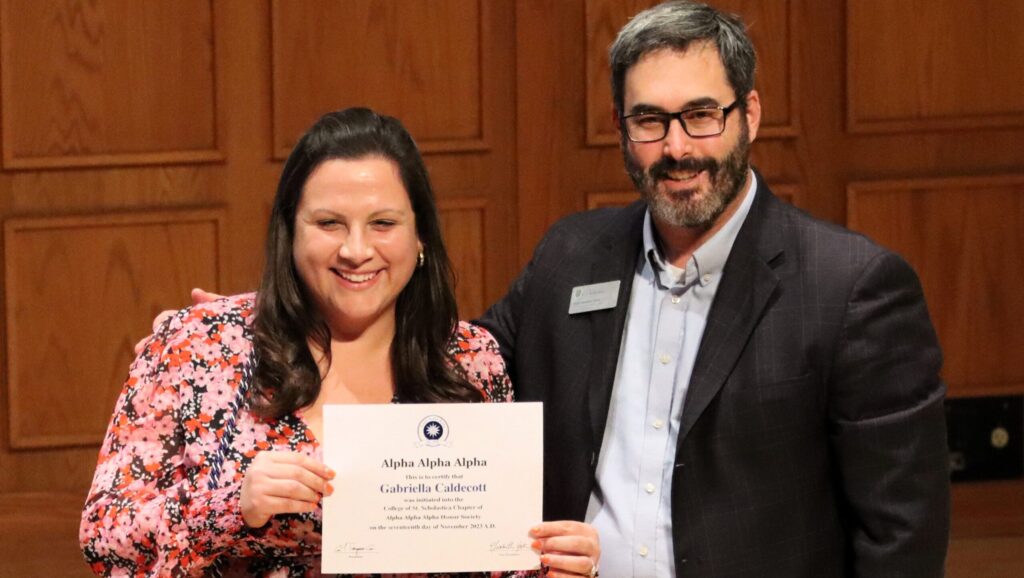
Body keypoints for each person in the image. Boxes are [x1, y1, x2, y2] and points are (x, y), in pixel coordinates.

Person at [148, 2, 951, 576]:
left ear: (749, 115)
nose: (676, 147)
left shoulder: (851, 286)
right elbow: (454, 354)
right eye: (649, 120)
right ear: (620, 128)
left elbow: (903, 536)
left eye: (701, 116)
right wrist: (269, 307)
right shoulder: (575, 255)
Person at [80, 108, 600, 578]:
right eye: (329, 223)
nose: (356, 250)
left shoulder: (470, 361)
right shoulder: (198, 344)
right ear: (291, 232)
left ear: (420, 237)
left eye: (383, 224)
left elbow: (488, 555)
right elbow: (104, 536)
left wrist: (552, 566)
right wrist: (231, 505)